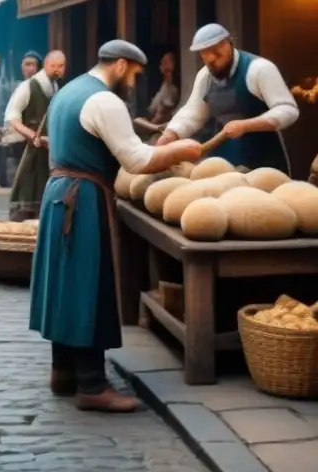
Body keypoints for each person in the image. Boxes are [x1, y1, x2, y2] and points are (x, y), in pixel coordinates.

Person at [29, 40, 203, 412]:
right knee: (88, 287)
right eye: (135, 74)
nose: (134, 82)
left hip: (60, 192)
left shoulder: (69, 90)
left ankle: (63, 372)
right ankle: (92, 385)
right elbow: (136, 159)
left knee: (67, 287)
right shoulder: (105, 100)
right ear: (121, 65)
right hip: (84, 198)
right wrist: (180, 150)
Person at [155, 24, 298, 173]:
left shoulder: (260, 69)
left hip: (263, 160)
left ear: (228, 43)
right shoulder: (205, 76)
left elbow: (288, 110)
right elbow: (193, 112)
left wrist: (246, 125)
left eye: (217, 55)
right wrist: (170, 134)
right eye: (207, 60)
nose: (213, 64)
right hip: (223, 160)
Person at [4, 50, 67, 222]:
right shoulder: (27, 86)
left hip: (49, 147)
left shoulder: (55, 87)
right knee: (27, 186)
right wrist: (32, 136)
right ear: (46, 65)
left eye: (61, 66)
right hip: (29, 146)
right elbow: (12, 117)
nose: (58, 70)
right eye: (54, 66)